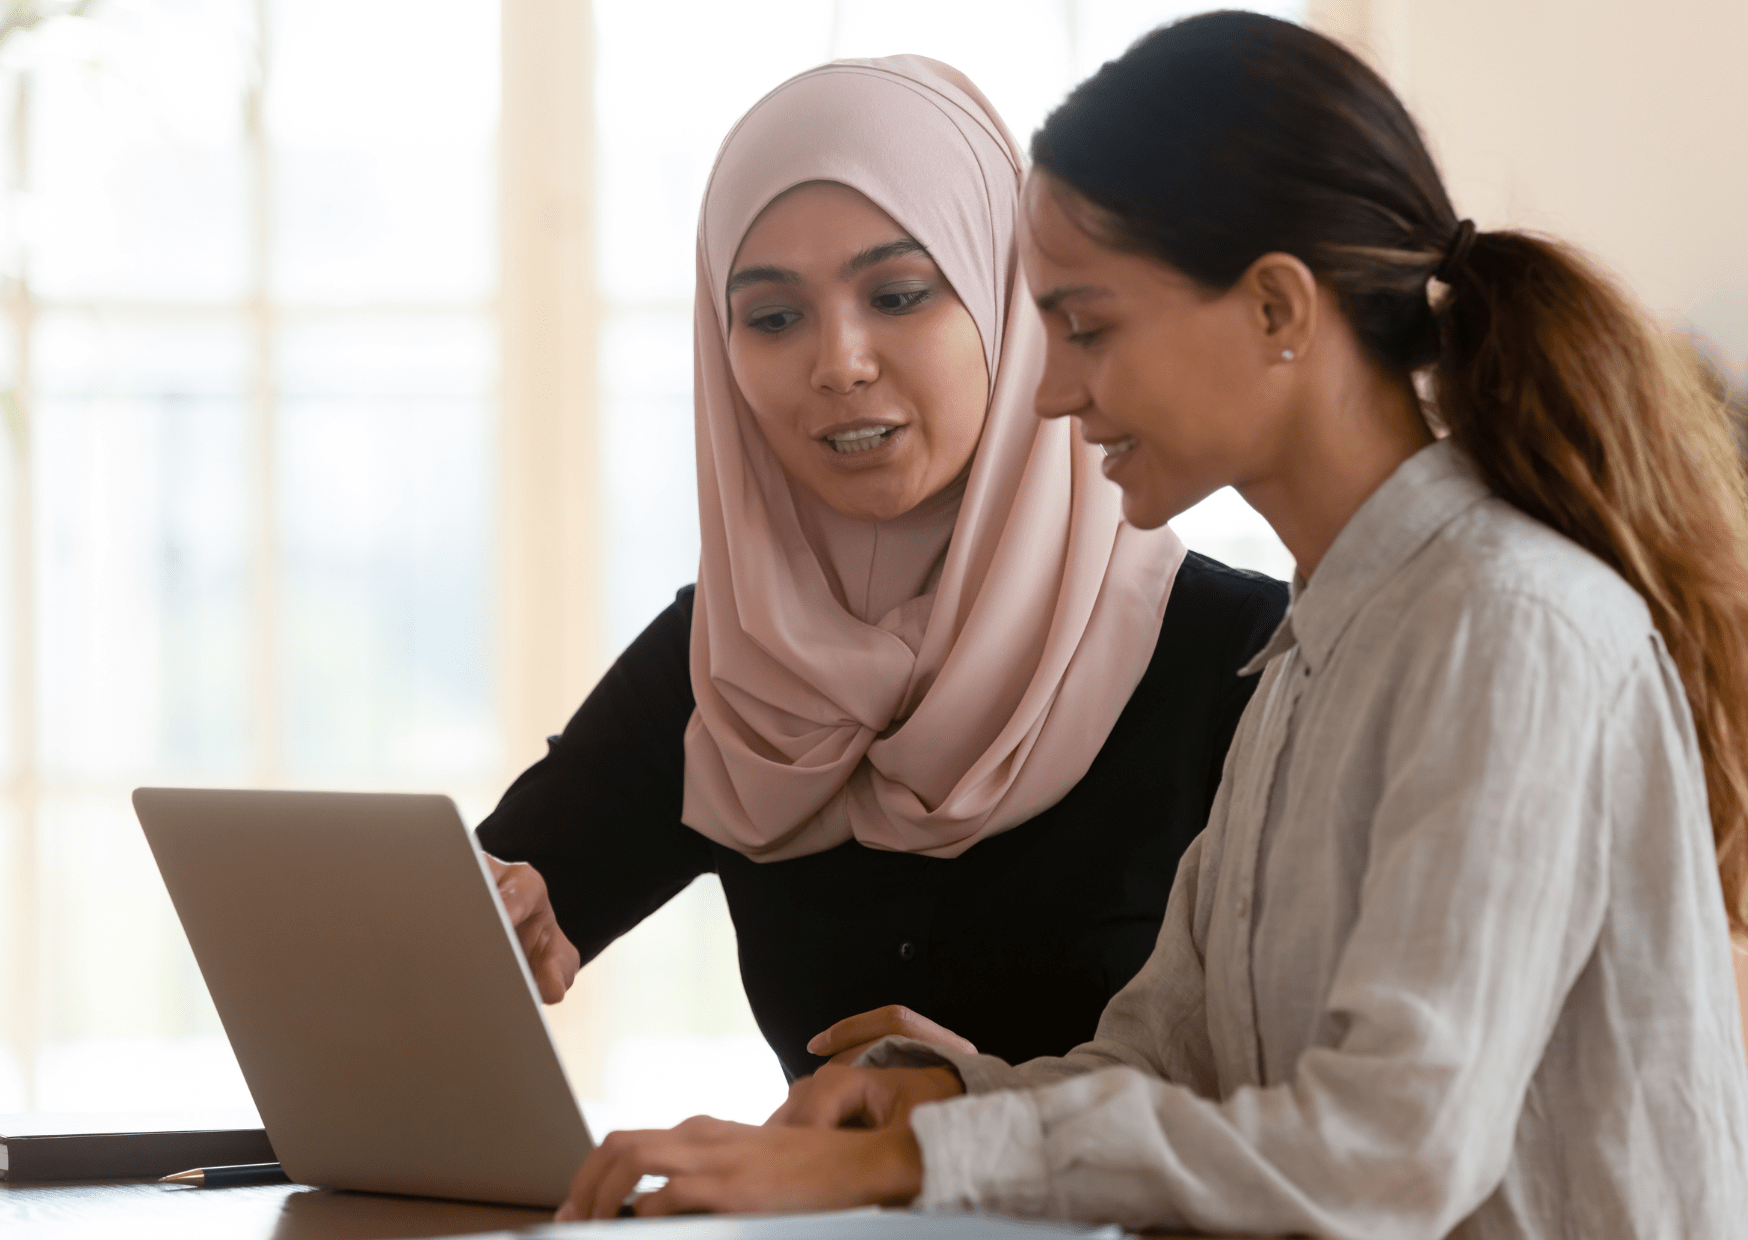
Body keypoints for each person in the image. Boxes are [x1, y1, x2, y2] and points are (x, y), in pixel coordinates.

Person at [554, 14, 1748, 1236]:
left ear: (1277, 308)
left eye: (1086, 326)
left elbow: (1389, 1151)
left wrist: (894, 1170)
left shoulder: (1506, 628)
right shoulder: (1310, 653)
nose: (1053, 386)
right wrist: (931, 1100)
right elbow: (1168, 1060)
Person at [477, 55, 1286, 1083]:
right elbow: (490, 903)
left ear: (1013, 306)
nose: (838, 362)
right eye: (771, 317)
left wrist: (973, 1117)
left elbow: (1316, 1106)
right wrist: (490, 915)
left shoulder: (1250, 662)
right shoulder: (728, 657)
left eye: (899, 294)